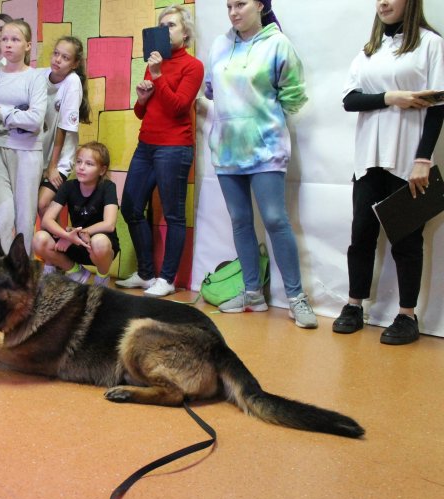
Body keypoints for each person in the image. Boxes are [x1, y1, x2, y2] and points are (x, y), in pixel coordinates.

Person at [333, 0, 443, 345]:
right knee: (361, 235)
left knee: (407, 241)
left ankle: (407, 316)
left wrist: (423, 159)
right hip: (367, 160)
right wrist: (392, 97)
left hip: (407, 160)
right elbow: (350, 100)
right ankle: (354, 306)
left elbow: (439, 105)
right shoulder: (371, 50)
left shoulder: (430, 43)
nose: (382, 2)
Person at [205, 0, 317, 328]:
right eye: (228, 6)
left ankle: (297, 298)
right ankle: (253, 293)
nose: (233, 12)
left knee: (274, 219)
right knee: (240, 221)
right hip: (226, 151)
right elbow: (212, 90)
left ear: (259, 4)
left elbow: (294, 96)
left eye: (240, 4)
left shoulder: (278, 43)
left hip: (266, 150)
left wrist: (261, 118)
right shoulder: (219, 45)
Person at [116, 4, 203, 298]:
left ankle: (166, 279)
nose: (165, 30)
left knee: (174, 215)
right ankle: (145, 272)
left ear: (185, 32)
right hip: (147, 145)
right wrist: (142, 98)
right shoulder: (153, 63)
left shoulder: (193, 66)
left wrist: (159, 75)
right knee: (130, 205)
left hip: (174, 148)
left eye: (171, 25)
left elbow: (179, 107)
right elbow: (144, 112)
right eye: (161, 25)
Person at [0, 19, 47, 255]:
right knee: (1, 216)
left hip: (27, 153)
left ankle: (21, 277)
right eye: (4, 39)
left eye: (15, 39)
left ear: (28, 46)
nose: (8, 44)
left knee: (25, 219)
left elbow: (35, 120)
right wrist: (15, 118)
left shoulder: (35, 77)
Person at [33, 142, 119, 286]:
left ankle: (101, 278)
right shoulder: (69, 186)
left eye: (89, 164)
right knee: (39, 239)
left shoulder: (108, 187)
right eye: (79, 162)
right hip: (75, 242)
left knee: (100, 242)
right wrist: (65, 235)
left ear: (102, 170)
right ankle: (76, 272)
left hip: (98, 245)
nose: (81, 167)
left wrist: (75, 234)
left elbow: (109, 224)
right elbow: (47, 220)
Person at [37, 36, 91, 223]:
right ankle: (40, 248)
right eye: (56, 53)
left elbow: (62, 128)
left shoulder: (72, 82)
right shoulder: (39, 75)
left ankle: (56, 247)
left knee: (44, 204)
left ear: (75, 63)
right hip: (36, 155)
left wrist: (53, 167)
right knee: (27, 209)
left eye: (65, 57)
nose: (57, 60)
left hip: (58, 158)